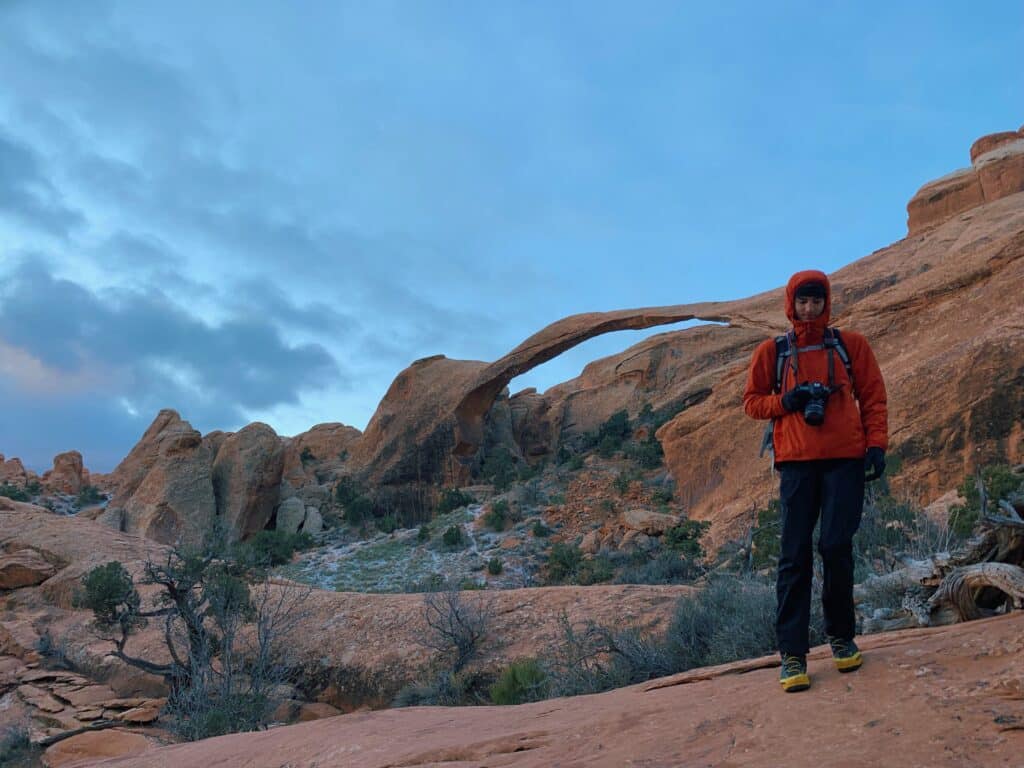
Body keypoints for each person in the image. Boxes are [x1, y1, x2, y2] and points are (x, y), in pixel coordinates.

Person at [743, 269, 888, 692]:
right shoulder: (773, 351)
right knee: (793, 557)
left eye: (817, 301)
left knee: (836, 548)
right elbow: (751, 403)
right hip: (797, 464)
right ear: (791, 303)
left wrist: (876, 445)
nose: (810, 308)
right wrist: (787, 401)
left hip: (845, 460)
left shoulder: (850, 345)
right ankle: (792, 655)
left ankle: (841, 637)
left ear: (827, 302)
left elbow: (874, 395)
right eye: (803, 301)